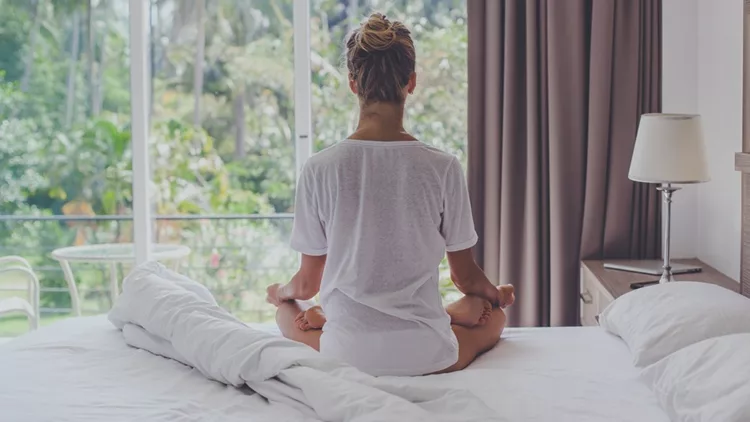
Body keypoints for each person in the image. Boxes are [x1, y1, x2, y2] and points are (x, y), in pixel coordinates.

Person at [265, 13, 514, 376]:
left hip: (347, 354)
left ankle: (327, 317)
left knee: (287, 312)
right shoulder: (443, 167)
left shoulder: (320, 168)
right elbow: (465, 278)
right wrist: (497, 294)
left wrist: (281, 292)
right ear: (411, 83)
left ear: (353, 84)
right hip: (426, 355)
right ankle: (444, 315)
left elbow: (307, 283)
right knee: (493, 316)